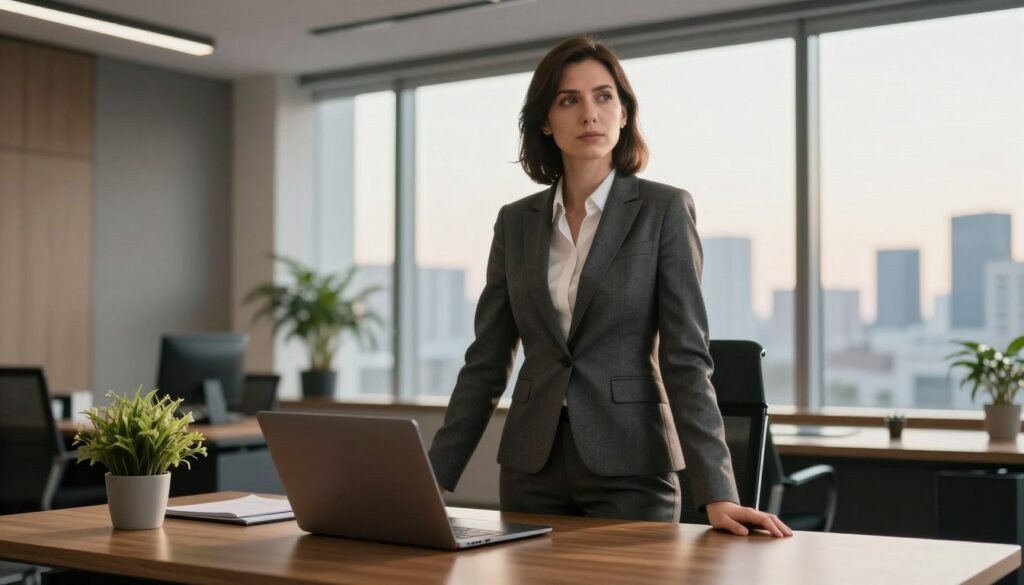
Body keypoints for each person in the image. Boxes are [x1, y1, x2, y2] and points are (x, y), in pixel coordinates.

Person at [428, 36, 791, 538]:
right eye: (568, 100)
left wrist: (718, 491)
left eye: (604, 97)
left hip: (632, 467)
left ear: (624, 114)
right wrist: (433, 478)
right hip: (531, 467)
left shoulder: (662, 211)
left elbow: (686, 357)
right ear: (544, 122)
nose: (589, 115)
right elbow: (487, 361)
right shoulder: (515, 223)